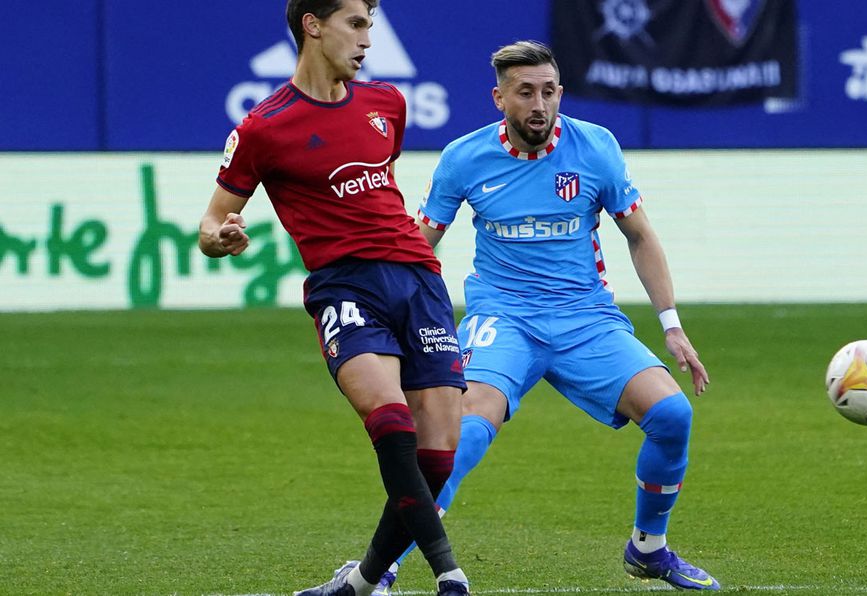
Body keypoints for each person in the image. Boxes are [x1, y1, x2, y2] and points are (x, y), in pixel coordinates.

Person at [377, 40, 720, 593]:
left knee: (673, 416)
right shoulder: (463, 158)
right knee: (461, 434)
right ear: (499, 98)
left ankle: (648, 550)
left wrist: (672, 325)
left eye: (549, 90)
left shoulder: (596, 148)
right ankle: (385, 561)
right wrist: (396, 316)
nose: (540, 104)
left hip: (586, 319)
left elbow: (639, 236)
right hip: (504, 316)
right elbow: (423, 245)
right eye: (526, 92)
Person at [197, 2, 471, 595]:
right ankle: (450, 572)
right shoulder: (262, 128)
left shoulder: (386, 106)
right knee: (391, 421)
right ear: (312, 25)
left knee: (438, 456)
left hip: (420, 281)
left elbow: (379, 193)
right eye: (356, 23)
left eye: (371, 25)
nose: (368, 39)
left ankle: (360, 584)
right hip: (344, 286)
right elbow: (212, 223)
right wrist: (222, 237)